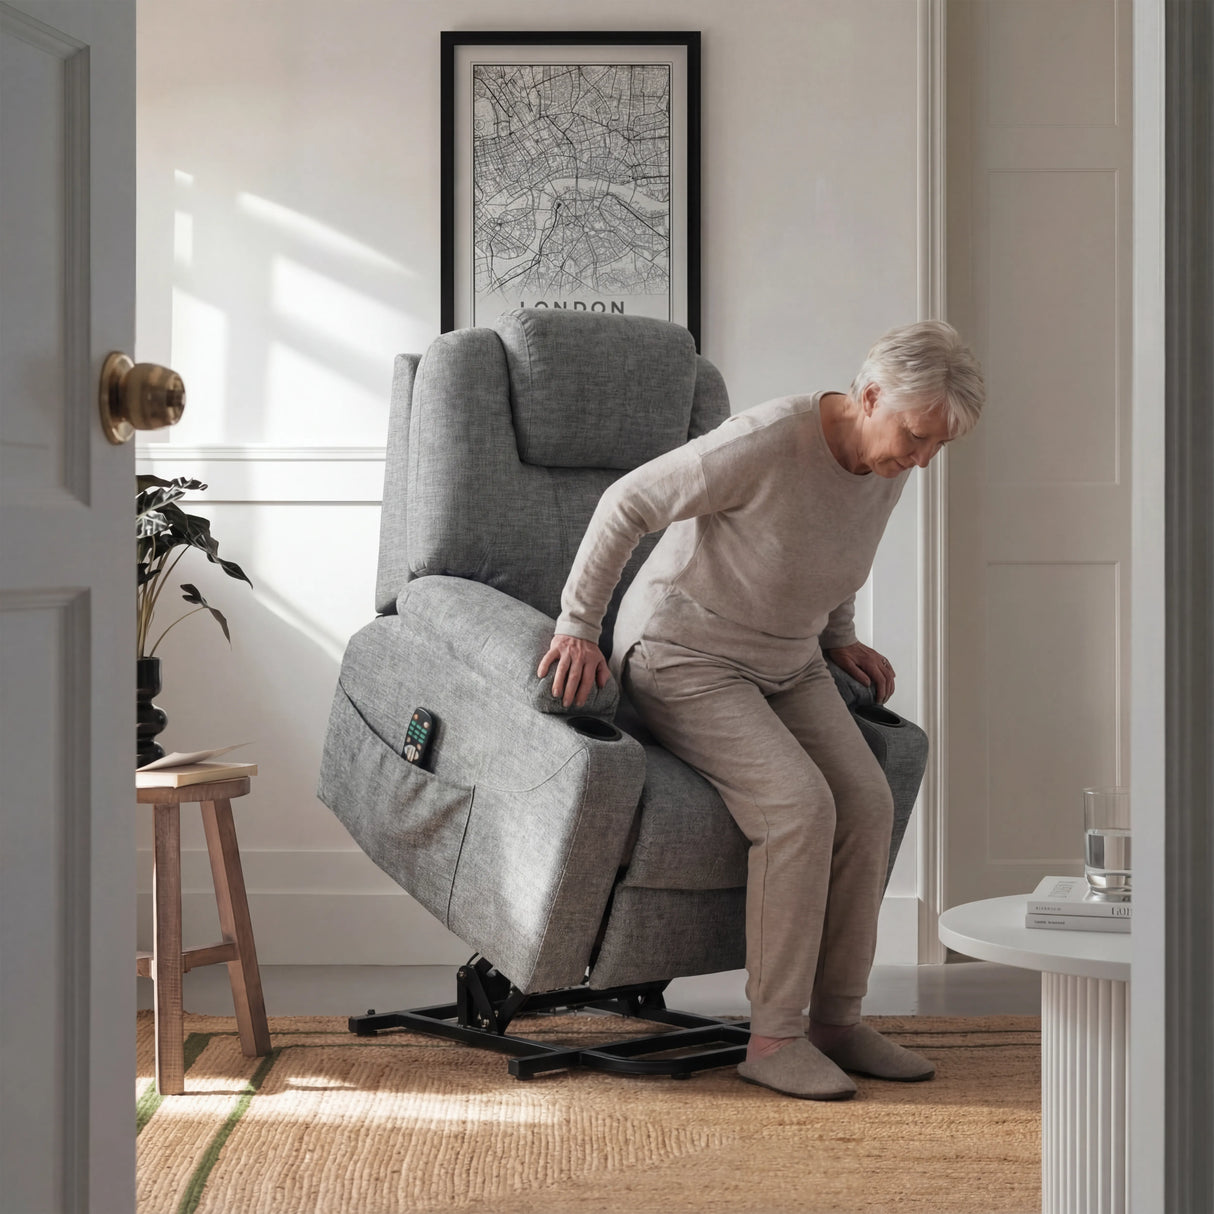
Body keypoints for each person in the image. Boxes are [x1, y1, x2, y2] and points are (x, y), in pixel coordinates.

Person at [537, 320, 985, 1100]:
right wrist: (578, 625)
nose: (920, 460)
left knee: (868, 802)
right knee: (797, 808)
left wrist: (839, 637)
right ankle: (774, 1038)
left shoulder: (887, 457)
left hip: (789, 659)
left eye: (937, 447)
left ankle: (836, 1022)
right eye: (916, 437)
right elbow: (626, 502)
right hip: (686, 655)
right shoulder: (768, 440)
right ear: (870, 396)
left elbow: (836, 553)